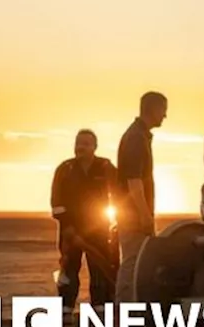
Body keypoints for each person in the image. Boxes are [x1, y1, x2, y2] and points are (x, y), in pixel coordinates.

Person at [50, 129, 119, 311]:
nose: (81, 147)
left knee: (100, 270)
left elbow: (120, 192)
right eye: (78, 142)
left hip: (98, 229)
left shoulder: (105, 167)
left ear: (95, 147)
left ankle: (100, 308)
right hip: (70, 231)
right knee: (68, 268)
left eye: (86, 143)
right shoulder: (65, 169)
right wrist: (67, 228)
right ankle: (65, 308)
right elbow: (56, 201)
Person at [115, 90, 167, 302]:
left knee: (136, 262)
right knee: (133, 262)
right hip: (133, 214)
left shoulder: (139, 136)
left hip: (132, 212)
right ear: (153, 109)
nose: (165, 116)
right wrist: (144, 215)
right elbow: (133, 182)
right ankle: (123, 312)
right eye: (163, 110)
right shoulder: (136, 138)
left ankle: (128, 310)